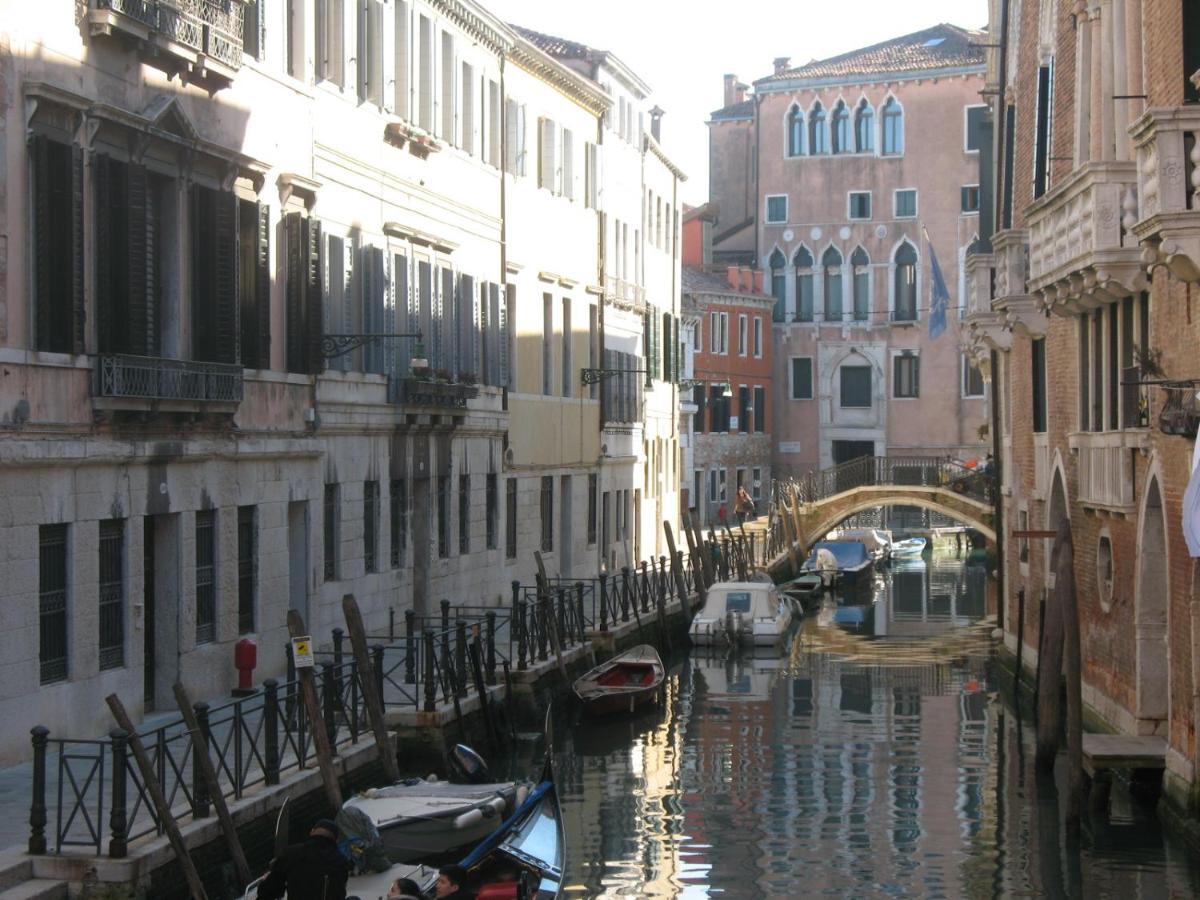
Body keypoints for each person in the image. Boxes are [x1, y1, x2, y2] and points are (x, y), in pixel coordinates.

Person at [257, 819, 350, 900]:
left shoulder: (291, 853)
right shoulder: (341, 861)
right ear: (335, 840)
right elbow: (339, 893)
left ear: (312, 832)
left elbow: (269, 891)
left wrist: (265, 882)